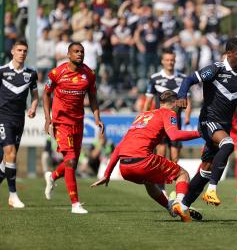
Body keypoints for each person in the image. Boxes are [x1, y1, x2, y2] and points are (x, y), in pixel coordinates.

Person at [91, 90, 202, 222]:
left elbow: (119, 146)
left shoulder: (142, 115)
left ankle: (171, 207)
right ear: (174, 103)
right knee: (182, 174)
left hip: (125, 167)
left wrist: (107, 173)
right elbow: (174, 135)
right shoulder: (169, 112)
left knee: (149, 183)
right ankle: (180, 204)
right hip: (142, 161)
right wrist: (200, 133)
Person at [177, 37, 237, 207]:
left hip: (224, 126)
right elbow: (188, 80)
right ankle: (212, 190)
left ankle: (183, 206)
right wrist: (182, 96)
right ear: (228, 54)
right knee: (228, 144)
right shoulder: (215, 70)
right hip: (208, 121)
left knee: (206, 169)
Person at [43, 42, 104, 214]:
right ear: (68, 54)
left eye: (82, 52)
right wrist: (48, 118)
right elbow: (46, 94)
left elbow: (93, 97)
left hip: (78, 122)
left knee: (73, 162)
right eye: (76, 51)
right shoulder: (57, 73)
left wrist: (97, 118)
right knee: (70, 159)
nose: (79, 54)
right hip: (61, 123)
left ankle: (53, 176)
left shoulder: (89, 74)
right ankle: (75, 204)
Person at [0, 41, 39, 208]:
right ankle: (13, 195)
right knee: (11, 153)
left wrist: (33, 107)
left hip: (19, 120)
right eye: (19, 50)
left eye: (25, 51)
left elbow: (35, 95)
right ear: (12, 51)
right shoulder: (2, 72)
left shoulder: (31, 74)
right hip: (3, 117)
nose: (22, 53)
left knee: (5, 161)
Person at [143, 49, 192, 164]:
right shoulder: (155, 78)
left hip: (175, 120)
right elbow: (148, 101)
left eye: (172, 60)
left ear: (175, 61)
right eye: (167, 60)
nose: (170, 62)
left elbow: (187, 101)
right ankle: (160, 181)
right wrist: (145, 118)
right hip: (159, 121)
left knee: (175, 156)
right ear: (162, 61)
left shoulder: (183, 78)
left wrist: (187, 117)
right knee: (161, 152)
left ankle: (175, 180)